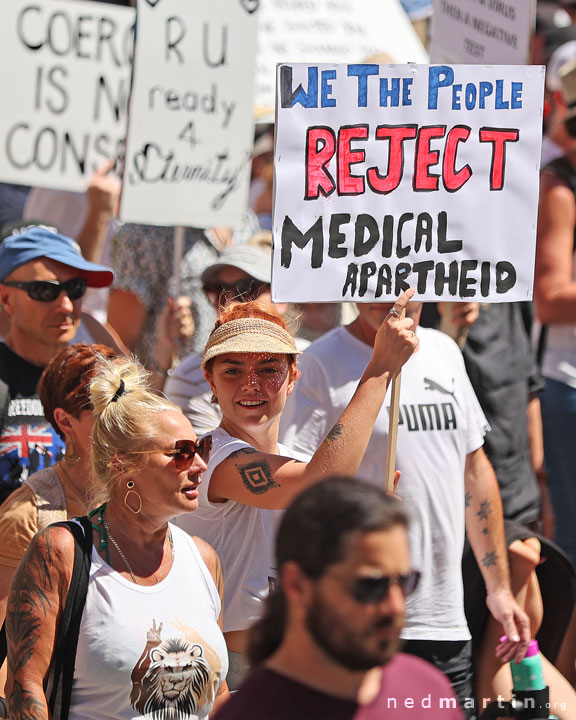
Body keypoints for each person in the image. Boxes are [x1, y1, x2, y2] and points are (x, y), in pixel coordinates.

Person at [279, 300, 530, 719]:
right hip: (357, 619)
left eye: (401, 284)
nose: (389, 298)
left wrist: (499, 587)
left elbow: (475, 472)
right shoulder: (319, 363)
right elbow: (301, 493)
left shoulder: (444, 350)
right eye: (374, 283)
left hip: (444, 619)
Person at [174, 289, 419, 690]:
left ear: (293, 377)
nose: (251, 385)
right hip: (230, 675)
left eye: (269, 369)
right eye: (232, 370)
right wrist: (380, 369)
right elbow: (319, 481)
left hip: (298, 666)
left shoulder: (292, 462)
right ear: (210, 382)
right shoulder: (211, 456)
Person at [5, 355, 229, 719]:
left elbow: (217, 695)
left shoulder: (203, 559)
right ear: (123, 465)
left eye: (200, 448)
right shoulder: (61, 552)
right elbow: (24, 688)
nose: (200, 465)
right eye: (181, 453)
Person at [214, 476, 464, 719]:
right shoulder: (249, 712)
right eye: (371, 585)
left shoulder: (428, 690)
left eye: (406, 581)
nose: (395, 606)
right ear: (298, 585)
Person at [0, 343, 118, 694]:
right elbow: (8, 653)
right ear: (65, 421)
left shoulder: (157, 489)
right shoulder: (27, 516)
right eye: (107, 409)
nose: (125, 421)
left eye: (130, 404)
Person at [0, 226, 114, 503]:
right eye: (43, 290)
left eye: (75, 288)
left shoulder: (98, 377)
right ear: (6, 299)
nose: (65, 305)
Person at [165, 243, 300, 436]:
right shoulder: (188, 375)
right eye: (218, 290)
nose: (231, 301)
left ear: (293, 375)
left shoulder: (317, 359)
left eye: (248, 289)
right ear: (210, 380)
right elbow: (209, 461)